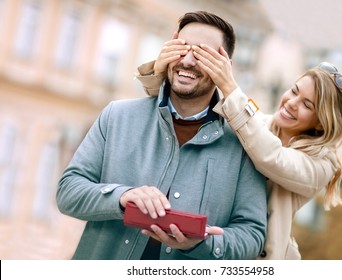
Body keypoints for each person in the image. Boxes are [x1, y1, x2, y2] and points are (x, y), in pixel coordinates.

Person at [56, 11, 267, 260]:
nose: (188, 61)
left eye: (202, 54)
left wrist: (203, 243)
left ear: (225, 68)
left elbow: (252, 236)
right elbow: (68, 192)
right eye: (182, 48)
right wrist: (122, 197)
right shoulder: (117, 116)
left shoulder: (244, 144)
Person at [137, 37, 342, 259]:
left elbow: (271, 157)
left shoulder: (322, 163)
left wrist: (230, 87)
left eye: (307, 104)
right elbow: (191, 108)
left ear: (321, 122)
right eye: (294, 91)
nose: (291, 102)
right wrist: (161, 72)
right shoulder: (257, 126)